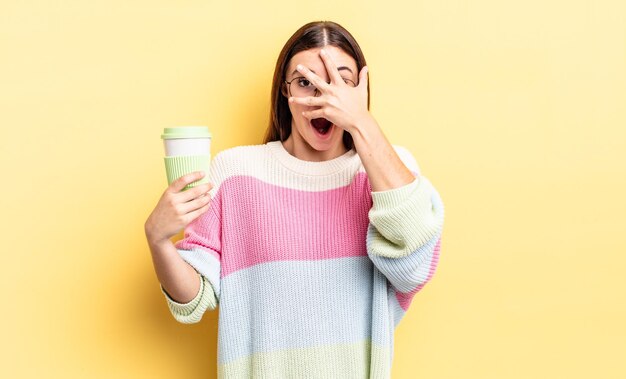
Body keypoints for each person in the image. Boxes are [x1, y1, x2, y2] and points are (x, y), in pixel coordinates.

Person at [145, 20, 445, 379]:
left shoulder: (388, 172)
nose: (323, 96)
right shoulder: (235, 172)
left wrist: (362, 123)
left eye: (340, 81)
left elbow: (414, 266)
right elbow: (193, 300)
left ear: (360, 92)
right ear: (285, 93)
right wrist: (158, 239)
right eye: (305, 82)